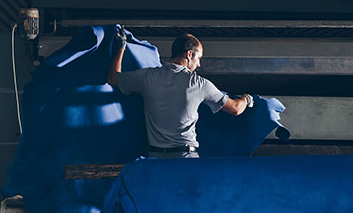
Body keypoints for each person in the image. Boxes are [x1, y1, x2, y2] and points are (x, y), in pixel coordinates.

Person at [107, 27, 253, 159]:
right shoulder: (199, 83)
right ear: (190, 54)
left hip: (155, 158)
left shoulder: (147, 77)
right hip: (185, 158)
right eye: (199, 58)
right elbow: (235, 109)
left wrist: (121, 48)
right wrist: (247, 98)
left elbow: (113, 79)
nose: (199, 64)